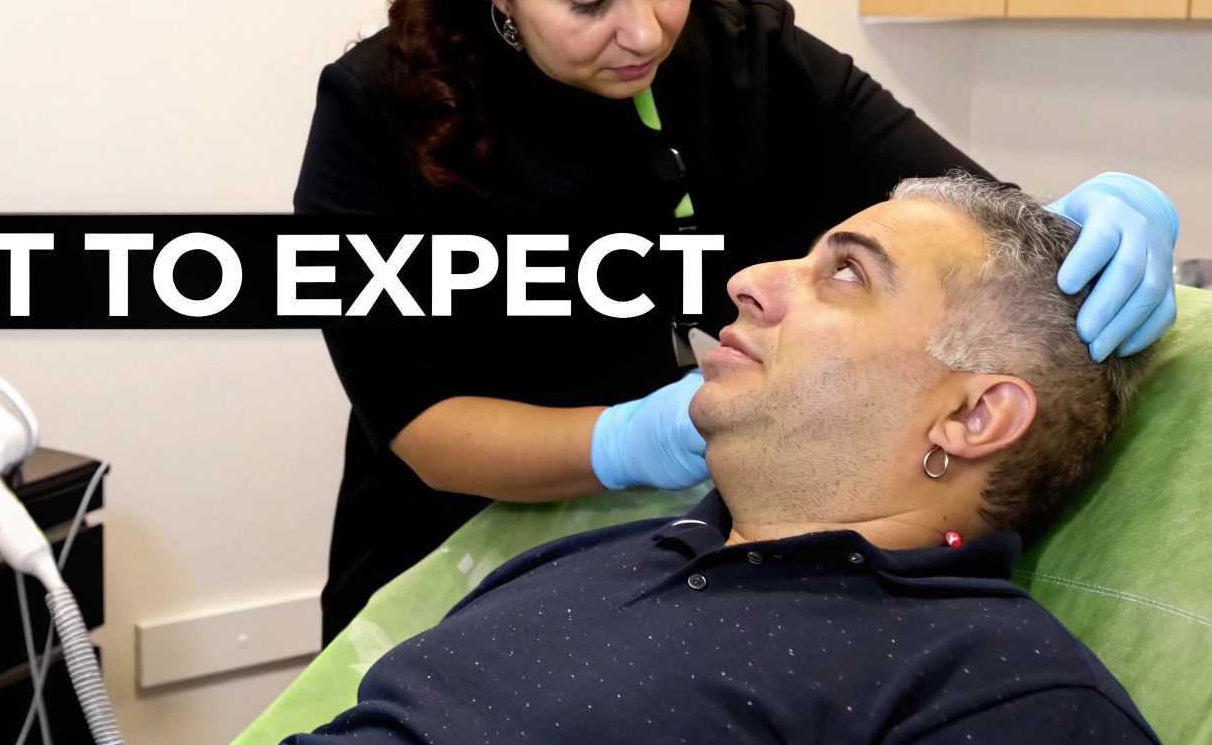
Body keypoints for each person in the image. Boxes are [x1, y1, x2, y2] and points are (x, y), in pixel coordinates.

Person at [291, 0, 1181, 643]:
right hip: (441, 564)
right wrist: (633, 438)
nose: (644, 31)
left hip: (667, 562)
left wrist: (1097, 220)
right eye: (591, 0)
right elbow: (423, 427)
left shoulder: (759, 64)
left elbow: (978, 233)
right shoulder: (379, 110)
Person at [286, 174, 1161, 743]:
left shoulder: (992, 687)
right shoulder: (596, 558)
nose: (749, 279)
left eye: (846, 275)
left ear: (974, 415)